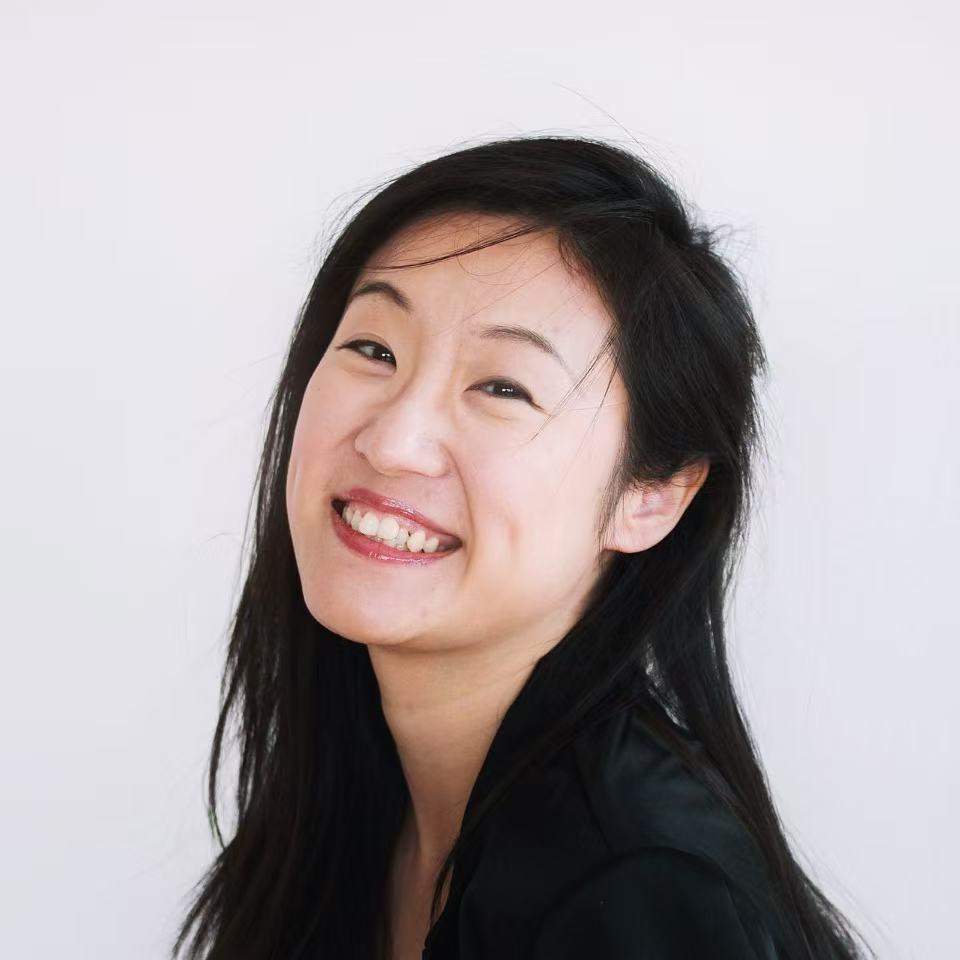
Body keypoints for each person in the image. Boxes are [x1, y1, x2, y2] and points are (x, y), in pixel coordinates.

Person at [171, 136, 875, 959]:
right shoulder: (351, 789)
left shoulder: (639, 888)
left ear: (652, 497)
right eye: (374, 349)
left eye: (502, 388)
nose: (394, 441)